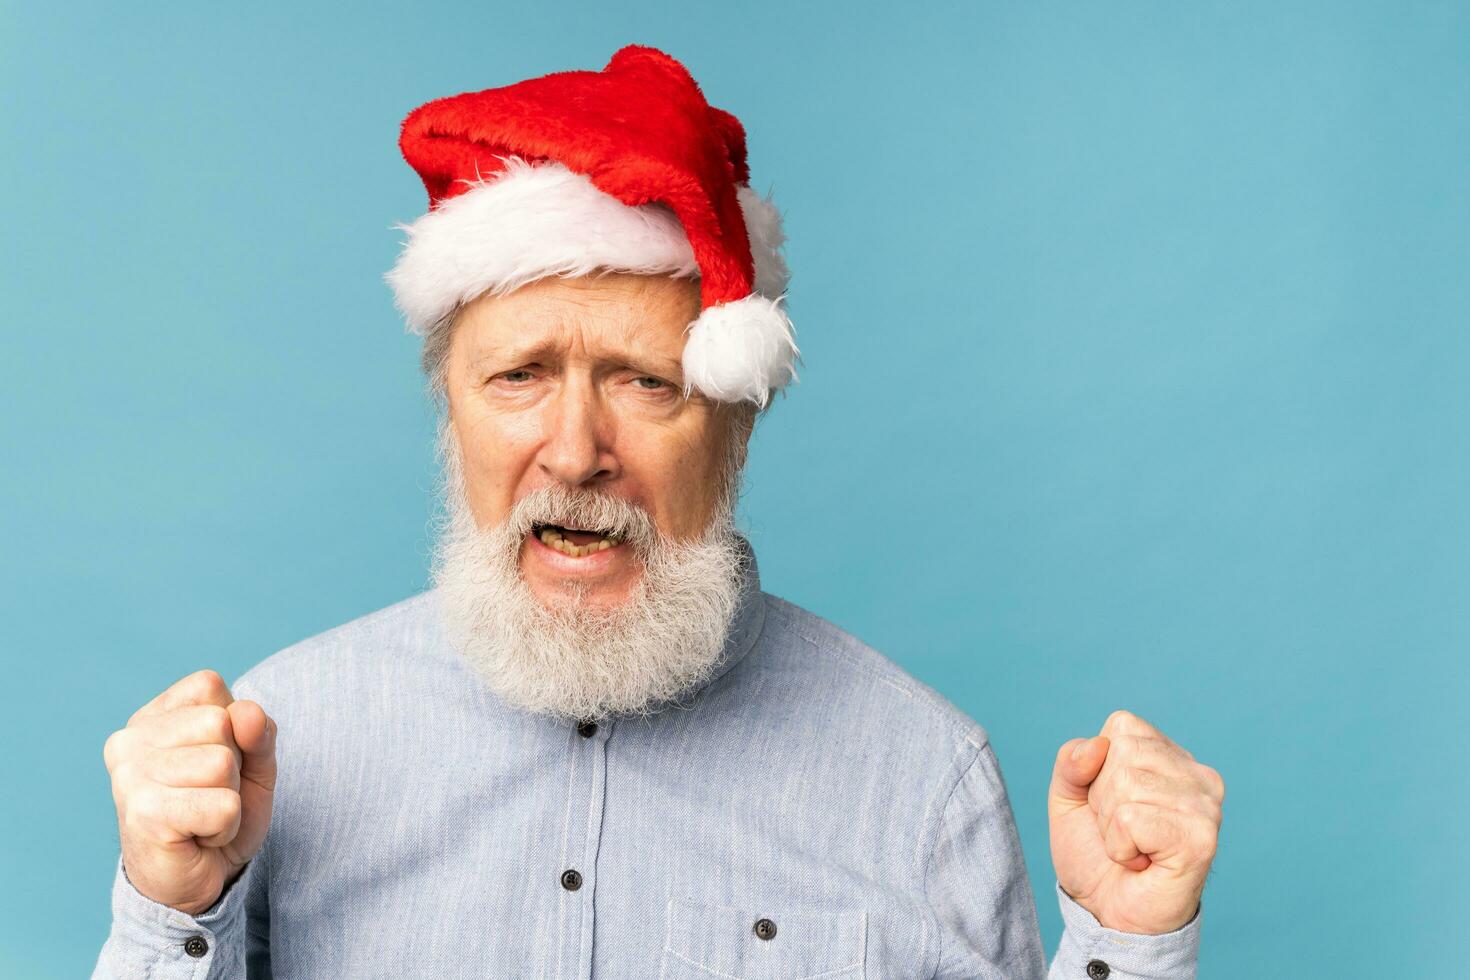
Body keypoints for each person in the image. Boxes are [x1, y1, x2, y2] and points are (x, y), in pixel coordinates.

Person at [93, 45, 1224, 979]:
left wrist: (1129, 944)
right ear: (450, 408)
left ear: (734, 423)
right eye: (520, 374)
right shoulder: (290, 740)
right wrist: (166, 907)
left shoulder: (925, 779)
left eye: (647, 381)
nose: (577, 452)